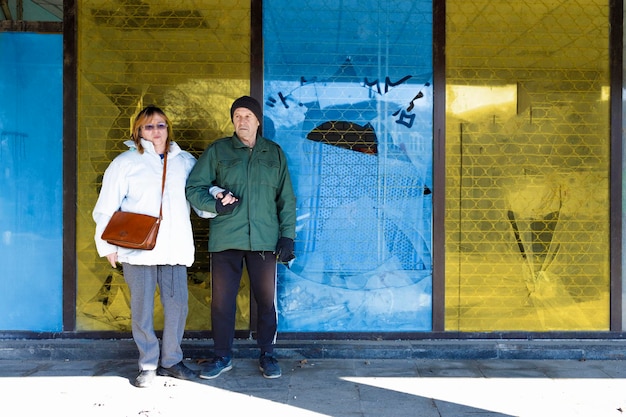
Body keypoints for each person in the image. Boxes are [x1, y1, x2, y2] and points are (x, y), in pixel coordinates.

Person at [185, 95, 296, 379]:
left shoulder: (274, 153)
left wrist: (287, 237)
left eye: (247, 116)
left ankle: (267, 354)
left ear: (258, 120)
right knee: (222, 302)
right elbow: (193, 187)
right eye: (237, 116)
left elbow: (286, 199)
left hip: (264, 241)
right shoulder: (219, 151)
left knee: (266, 301)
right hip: (226, 240)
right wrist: (215, 205)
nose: (242, 121)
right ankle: (222, 356)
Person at [93, 106, 200, 388]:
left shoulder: (185, 161)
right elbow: (106, 208)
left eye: (161, 125)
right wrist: (106, 246)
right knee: (141, 308)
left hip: (174, 246)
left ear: (169, 129)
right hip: (137, 249)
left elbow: (199, 197)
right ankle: (148, 364)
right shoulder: (125, 163)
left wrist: (217, 200)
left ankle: (172, 361)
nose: (156, 131)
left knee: (177, 305)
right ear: (138, 131)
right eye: (149, 126)